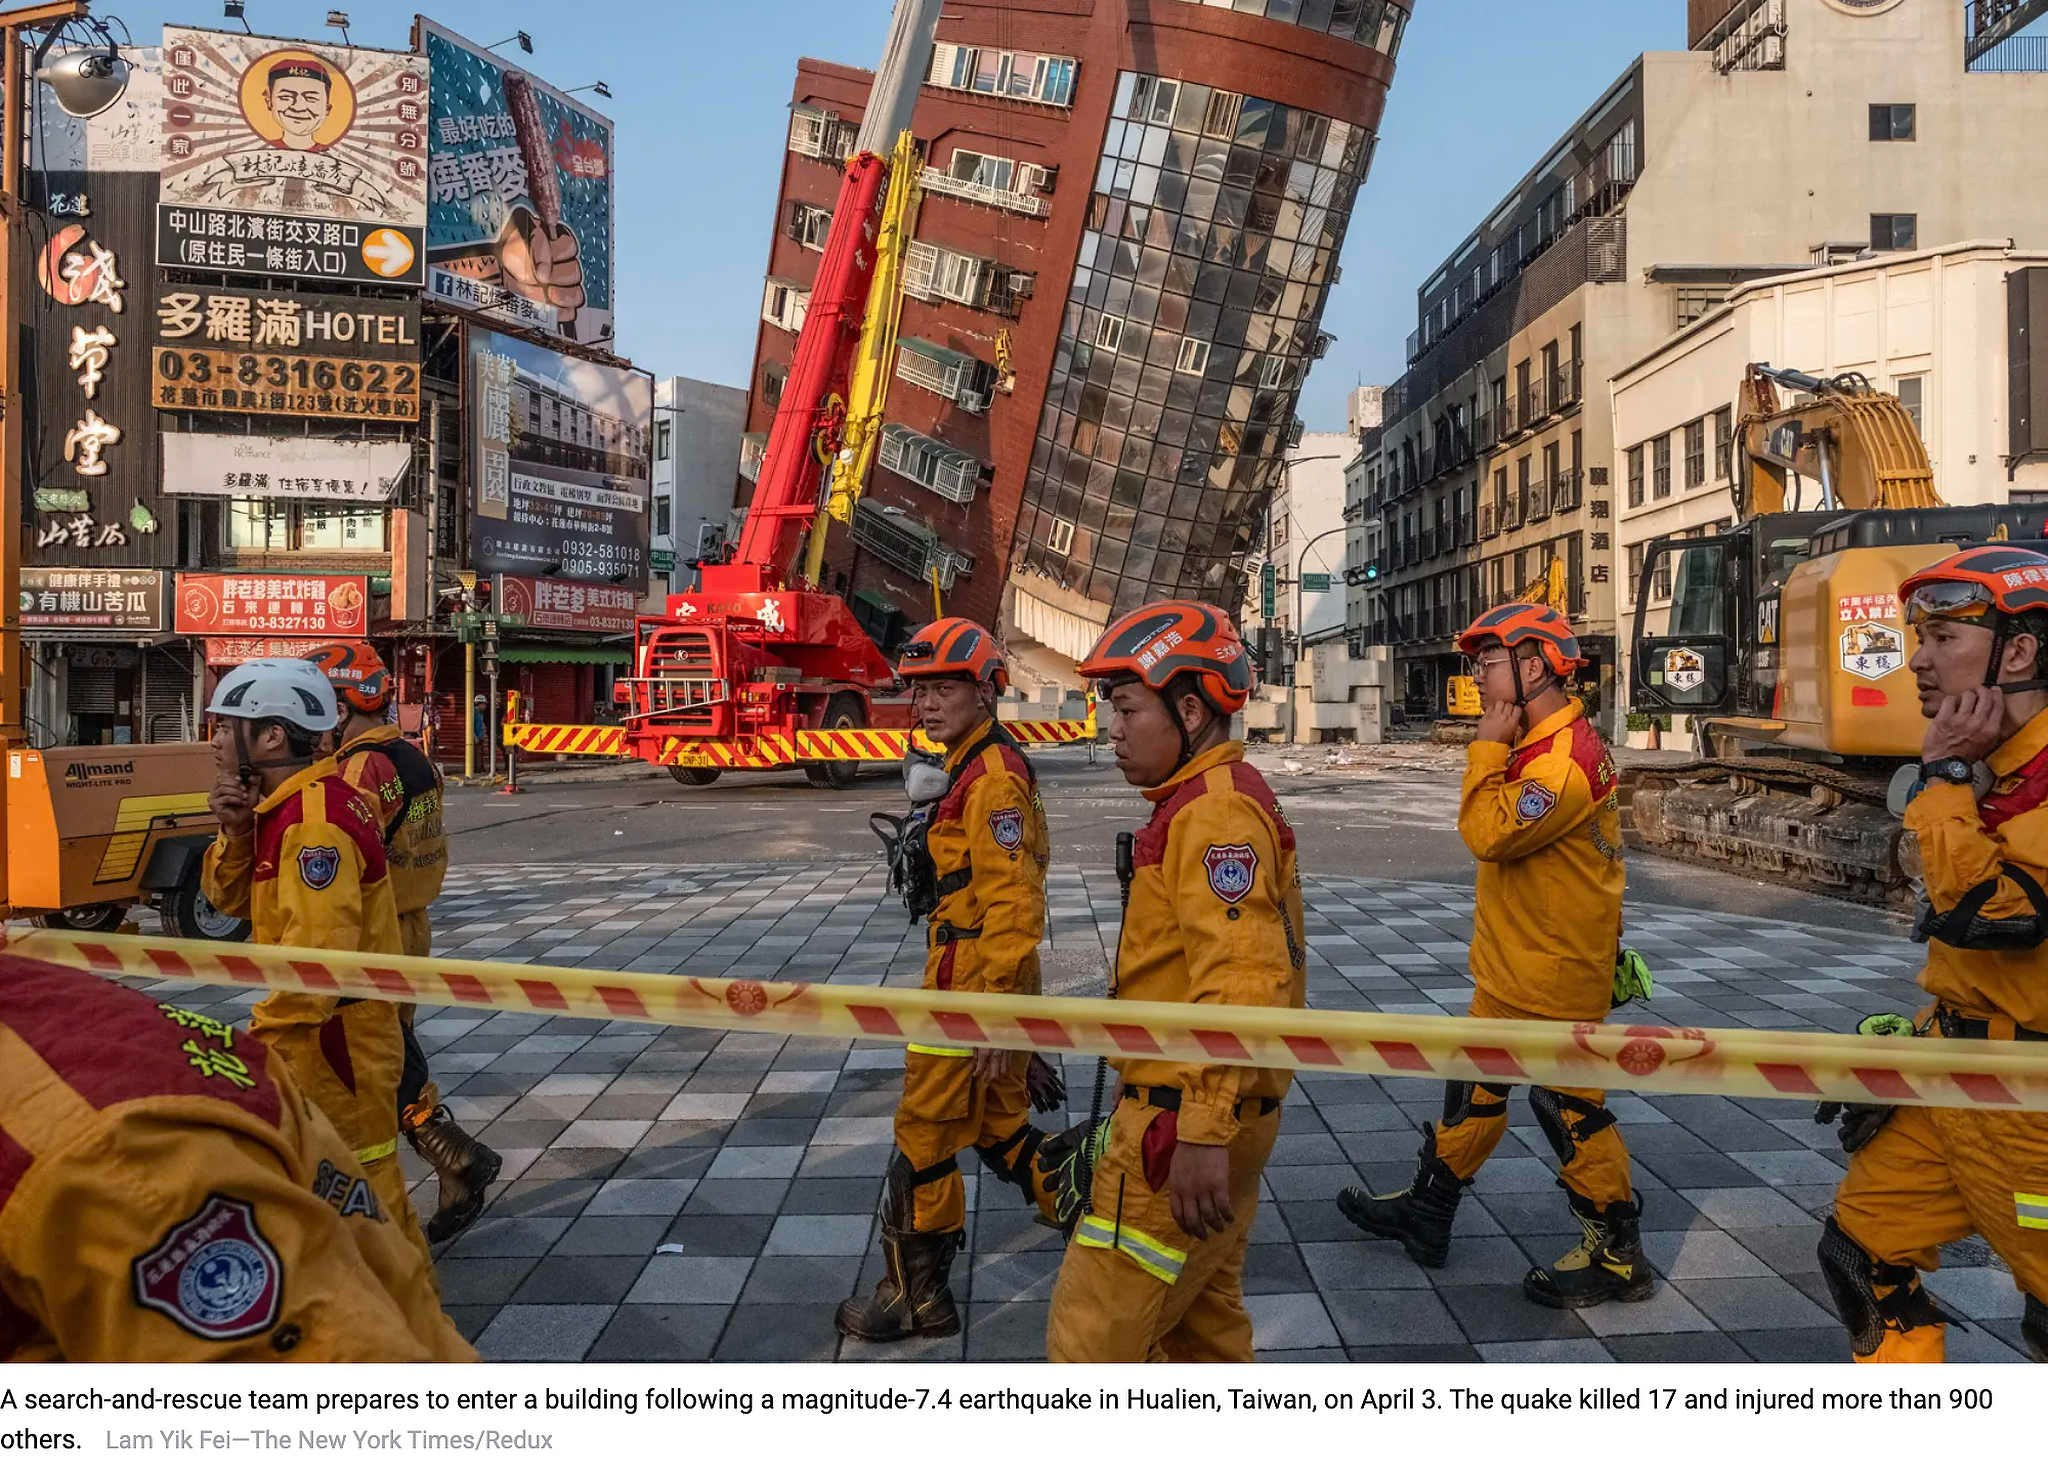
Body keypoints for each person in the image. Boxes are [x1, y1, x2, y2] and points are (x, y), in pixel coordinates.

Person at [1336, 602, 1652, 1309]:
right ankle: (1429, 1210)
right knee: (1475, 1089)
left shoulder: (1560, 764)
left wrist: (1484, 749)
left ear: (1534, 667)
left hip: (1552, 972)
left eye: (1488, 661)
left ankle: (1619, 1254)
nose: (1476, 673)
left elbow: (1488, 833)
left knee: (1569, 1109)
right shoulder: (1539, 744)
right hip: (1519, 964)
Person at [1043, 600, 1305, 1363]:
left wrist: (1201, 1130)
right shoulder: (1206, 801)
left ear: (1190, 711)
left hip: (1178, 1129)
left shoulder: (1214, 816)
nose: (1113, 730)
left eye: (1128, 709)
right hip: (1207, 1112)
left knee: (1090, 1348)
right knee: (1201, 1335)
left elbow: (1243, 982)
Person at [0, 952, 474, 1362]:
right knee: (367, 1178)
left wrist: (274, 1028)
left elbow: (318, 944)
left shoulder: (102, 1153)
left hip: (329, 1023)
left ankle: (449, 1173)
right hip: (339, 1015)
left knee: (371, 1162)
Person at [1818, 546, 2048, 1364]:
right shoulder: (2000, 773)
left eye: (1944, 637)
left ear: (2018, 653)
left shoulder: (1993, 777)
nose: (1916, 659)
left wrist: (1944, 775)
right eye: (1921, 637)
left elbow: (1989, 916)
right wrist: (1910, 1049)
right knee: (1860, 1251)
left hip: (2032, 1109)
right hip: (1957, 1077)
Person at [837, 618, 1067, 1342]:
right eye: (921, 690)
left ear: (986, 691)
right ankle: (1094, 1207)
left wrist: (995, 1018)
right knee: (999, 1127)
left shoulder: (992, 780)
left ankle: (917, 1299)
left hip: (969, 984)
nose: (928, 704)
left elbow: (1015, 905)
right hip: (981, 976)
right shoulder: (971, 764)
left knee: (925, 1135)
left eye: (945, 689)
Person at [199, 658, 430, 1267]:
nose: (215, 741)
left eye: (225, 727)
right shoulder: (289, 808)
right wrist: (236, 832)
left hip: (333, 1038)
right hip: (323, 1031)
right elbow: (230, 902)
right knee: (334, 1185)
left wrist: (259, 1047)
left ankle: (401, 1308)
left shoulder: (314, 825)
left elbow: (316, 964)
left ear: (272, 736)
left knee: (363, 1190)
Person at [305, 641, 501, 1244]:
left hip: (372, 929)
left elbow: (343, 853)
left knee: (371, 1056)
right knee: (388, 1046)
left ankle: (451, 1157)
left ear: (341, 709)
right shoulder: (413, 757)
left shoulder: (359, 770)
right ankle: (452, 1156)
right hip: (410, 925)